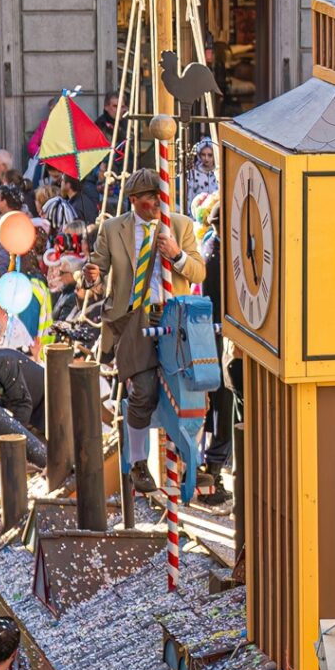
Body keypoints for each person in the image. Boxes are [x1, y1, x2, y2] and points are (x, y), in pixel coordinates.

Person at [95, 170, 206, 496]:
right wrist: (91, 275)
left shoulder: (181, 226)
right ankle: (139, 462)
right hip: (135, 319)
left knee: (195, 391)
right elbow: (98, 266)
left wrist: (175, 254)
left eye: (160, 197)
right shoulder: (114, 229)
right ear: (134, 201)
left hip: (174, 315)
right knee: (143, 391)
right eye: (149, 199)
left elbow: (199, 270)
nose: (157, 204)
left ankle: (191, 463)